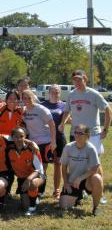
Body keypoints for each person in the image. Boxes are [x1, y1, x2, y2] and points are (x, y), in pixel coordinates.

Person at [58, 70, 110, 204]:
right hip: (75, 133)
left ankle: (100, 192)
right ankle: (81, 190)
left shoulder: (93, 94)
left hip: (92, 134)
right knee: (75, 162)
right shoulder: (71, 94)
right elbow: (67, 111)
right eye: (74, 80)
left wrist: (105, 129)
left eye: (79, 79)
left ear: (85, 79)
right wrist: (63, 123)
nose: (76, 82)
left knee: (95, 164)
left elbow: (108, 109)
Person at [59, 124, 103, 216]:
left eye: (80, 133)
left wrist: (81, 178)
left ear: (87, 136)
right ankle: (79, 197)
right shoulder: (68, 147)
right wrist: (66, 183)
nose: (77, 135)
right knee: (64, 207)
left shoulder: (91, 148)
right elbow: (63, 167)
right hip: (73, 181)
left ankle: (96, 208)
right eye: (75, 133)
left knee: (97, 178)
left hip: (87, 180)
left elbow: (95, 168)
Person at [22, 90, 56, 196]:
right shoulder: (24, 110)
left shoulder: (41, 109)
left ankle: (41, 191)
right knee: (34, 168)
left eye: (28, 98)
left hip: (45, 142)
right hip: (32, 143)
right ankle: (34, 189)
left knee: (42, 169)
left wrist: (53, 141)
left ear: (33, 97)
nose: (26, 100)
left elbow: (52, 124)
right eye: (24, 98)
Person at [7, 127, 44, 216]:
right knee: (25, 206)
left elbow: (39, 170)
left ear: (25, 137)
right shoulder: (9, 149)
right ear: (12, 138)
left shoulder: (33, 149)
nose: (19, 139)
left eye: (21, 136)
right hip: (22, 178)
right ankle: (33, 198)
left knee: (33, 184)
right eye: (16, 137)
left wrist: (28, 179)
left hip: (36, 176)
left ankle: (33, 208)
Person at [41, 84, 67, 200]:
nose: (55, 94)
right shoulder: (43, 105)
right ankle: (40, 189)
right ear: (49, 93)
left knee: (58, 164)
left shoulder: (64, 106)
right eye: (53, 92)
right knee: (43, 165)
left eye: (57, 92)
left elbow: (69, 118)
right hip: (45, 139)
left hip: (59, 138)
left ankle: (56, 190)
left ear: (60, 93)